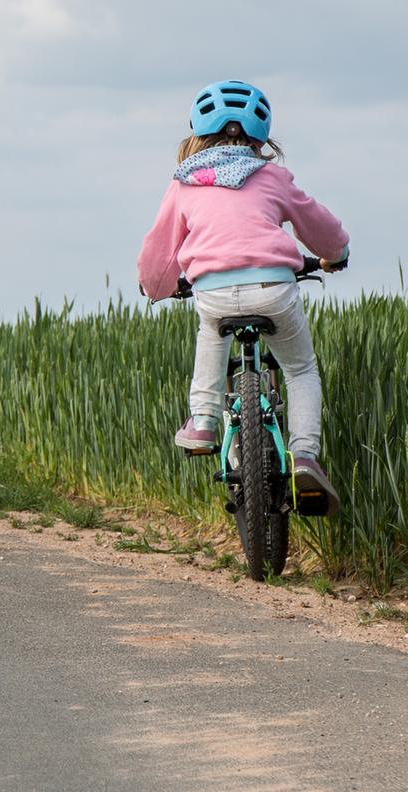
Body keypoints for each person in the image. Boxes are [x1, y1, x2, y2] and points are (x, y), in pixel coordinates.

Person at [137, 80, 349, 509]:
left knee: (211, 337)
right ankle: (304, 454)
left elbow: (159, 252)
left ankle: (203, 421)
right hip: (274, 288)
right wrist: (335, 253)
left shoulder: (184, 184)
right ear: (261, 137)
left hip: (213, 291)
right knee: (301, 369)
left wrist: (158, 286)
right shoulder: (272, 177)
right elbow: (319, 225)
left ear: (197, 132)